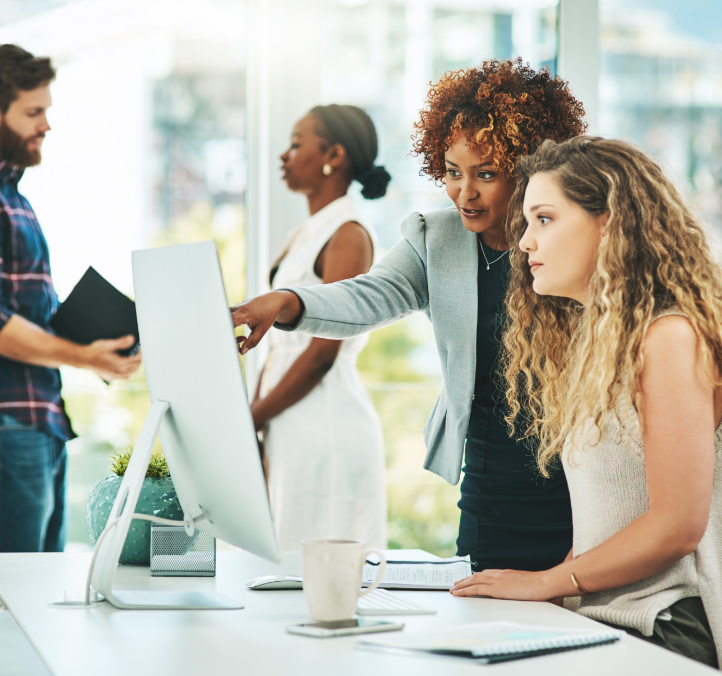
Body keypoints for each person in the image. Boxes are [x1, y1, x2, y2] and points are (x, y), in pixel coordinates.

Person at [232, 59, 586, 570]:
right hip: (489, 483)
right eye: (452, 172)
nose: (465, 193)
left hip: (576, 483)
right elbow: (369, 295)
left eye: (486, 174)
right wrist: (290, 301)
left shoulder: (567, 240)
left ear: (531, 169)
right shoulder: (435, 239)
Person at [450, 136, 722, 674]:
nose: (524, 242)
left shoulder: (670, 337)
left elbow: (675, 526)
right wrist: (547, 594)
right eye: (527, 223)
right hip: (606, 618)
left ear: (611, 221)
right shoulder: (604, 346)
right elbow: (610, 521)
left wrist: (545, 582)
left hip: (666, 626)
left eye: (544, 219)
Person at [0, 44, 141, 556]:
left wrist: (100, 343)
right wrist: (85, 355)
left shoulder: (10, 197)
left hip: (34, 416)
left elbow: (26, 313)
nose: (46, 125)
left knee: (36, 591)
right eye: (33, 112)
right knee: (12, 594)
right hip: (0, 418)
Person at [252, 104, 391, 550]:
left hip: (323, 425)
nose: (284, 156)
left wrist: (251, 418)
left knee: (312, 573)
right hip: (290, 418)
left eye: (296, 144)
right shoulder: (310, 231)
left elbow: (321, 352)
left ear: (333, 153)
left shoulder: (347, 233)